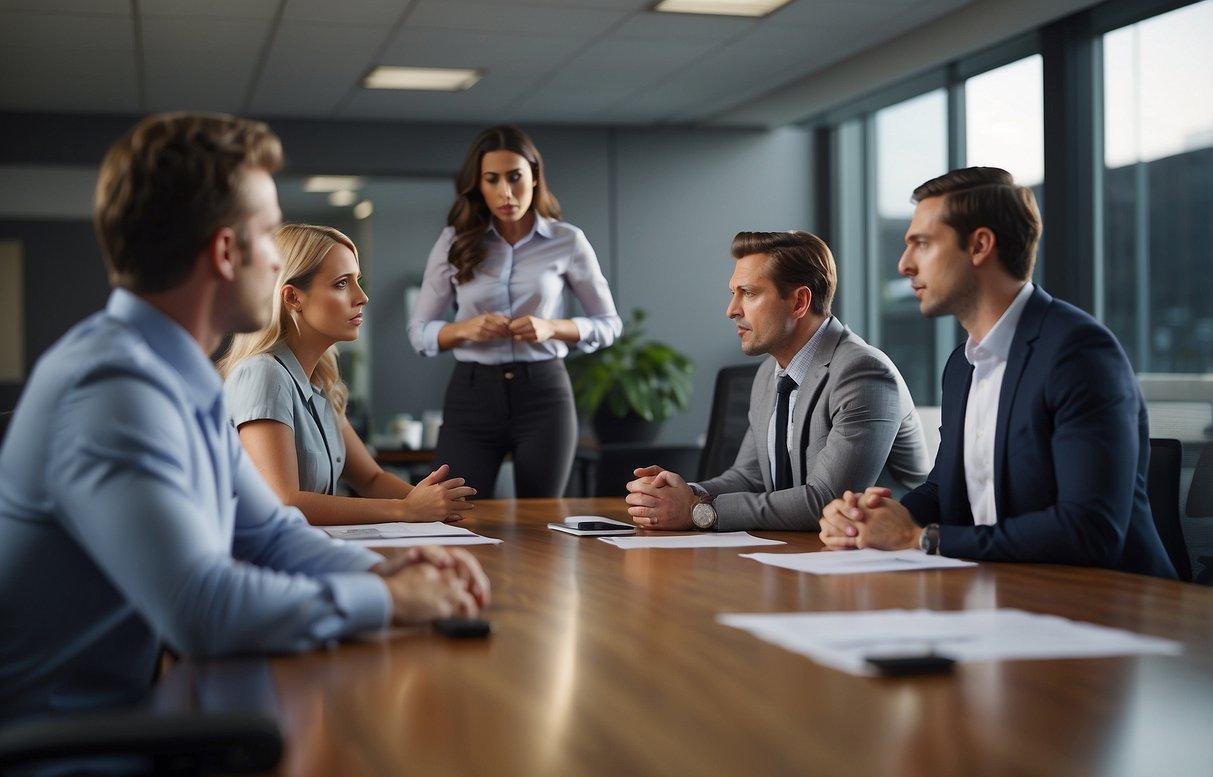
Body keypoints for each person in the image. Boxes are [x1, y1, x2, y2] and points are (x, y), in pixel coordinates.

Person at [0, 113, 491, 733]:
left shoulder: (181, 375)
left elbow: (268, 534)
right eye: (267, 234)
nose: (276, 258)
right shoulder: (112, 386)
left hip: (131, 721)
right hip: (71, 771)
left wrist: (390, 568)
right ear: (226, 252)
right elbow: (201, 609)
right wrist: (390, 599)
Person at [818, 167, 1176, 579]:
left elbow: (1089, 530)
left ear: (979, 246)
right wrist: (867, 520)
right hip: (1005, 589)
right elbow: (945, 489)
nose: (904, 265)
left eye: (922, 244)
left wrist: (921, 539)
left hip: (1114, 606)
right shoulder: (961, 365)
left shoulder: (1078, 353)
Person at [624, 231, 929, 532]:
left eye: (750, 293)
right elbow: (750, 477)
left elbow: (826, 502)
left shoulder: (862, 372)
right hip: (805, 553)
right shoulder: (770, 373)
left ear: (799, 302)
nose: (732, 310)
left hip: (883, 562)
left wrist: (697, 511)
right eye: (734, 293)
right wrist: (681, 493)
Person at [408, 125, 621, 498]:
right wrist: (465, 329)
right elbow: (419, 330)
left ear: (535, 177)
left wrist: (552, 327)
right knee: (456, 515)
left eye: (515, 177)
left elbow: (609, 324)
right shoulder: (454, 242)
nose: (506, 192)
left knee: (541, 520)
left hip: (544, 394)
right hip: (471, 395)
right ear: (479, 185)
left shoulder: (568, 241)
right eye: (492, 180)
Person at [220, 224, 475, 525]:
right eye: (342, 284)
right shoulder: (263, 374)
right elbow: (283, 502)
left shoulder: (321, 383)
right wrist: (405, 510)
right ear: (292, 298)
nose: (362, 297)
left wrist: (435, 507)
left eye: (357, 281)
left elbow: (371, 479)